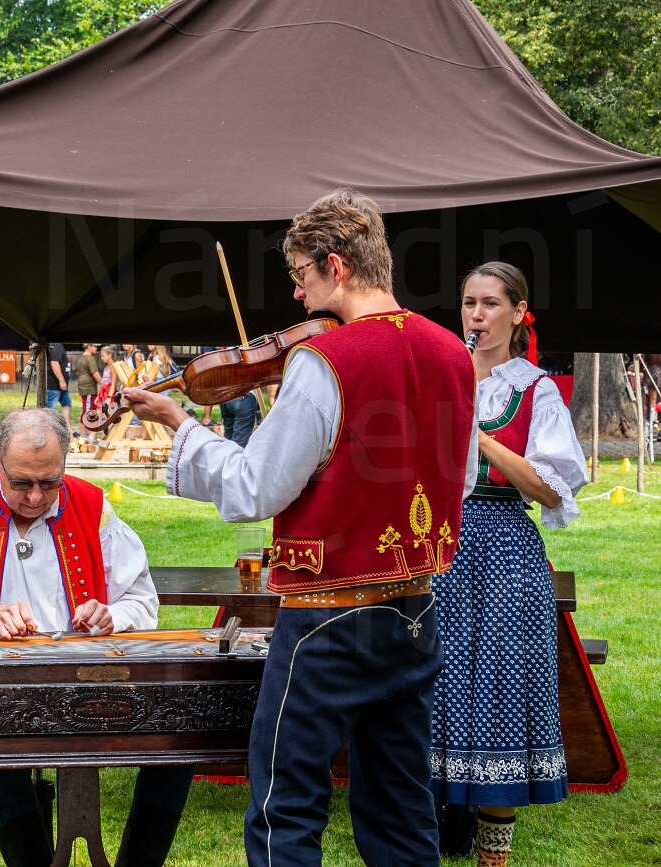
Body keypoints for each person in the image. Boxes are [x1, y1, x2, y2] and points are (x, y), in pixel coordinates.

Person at [126, 188, 479, 867]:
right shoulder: (451, 352)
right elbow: (455, 482)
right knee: (403, 812)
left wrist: (179, 425)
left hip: (327, 618)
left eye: (301, 275)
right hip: (415, 610)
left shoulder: (325, 361)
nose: (297, 294)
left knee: (283, 806)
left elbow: (253, 488)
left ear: (335, 266)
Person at [0, 408, 192, 867]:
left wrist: (112, 615)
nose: (37, 497)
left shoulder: (93, 505)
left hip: (94, 680)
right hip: (2, 684)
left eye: (50, 482)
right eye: (22, 483)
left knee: (181, 734)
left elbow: (143, 601)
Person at [431, 263, 586, 866]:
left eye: (491, 303)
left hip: (504, 550)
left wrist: (482, 437)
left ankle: (492, 854)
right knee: (436, 681)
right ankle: (438, 824)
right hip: (438, 545)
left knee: (501, 685)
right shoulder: (440, 378)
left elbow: (550, 490)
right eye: (468, 302)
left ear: (519, 314)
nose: (476, 315)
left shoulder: (535, 390)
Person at [46, 342, 72, 430]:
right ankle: (48, 431)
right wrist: (61, 381)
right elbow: (54, 363)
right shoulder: (56, 345)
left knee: (67, 404)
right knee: (49, 410)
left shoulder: (58, 345)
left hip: (61, 386)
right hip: (54, 385)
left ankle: (68, 430)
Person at [76, 342, 100, 418]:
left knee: (87, 408)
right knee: (88, 411)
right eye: (95, 346)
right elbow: (95, 373)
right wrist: (103, 384)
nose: (96, 348)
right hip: (88, 387)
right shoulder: (90, 358)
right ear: (89, 346)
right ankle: (85, 425)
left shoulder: (82, 357)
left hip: (83, 385)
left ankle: (86, 425)